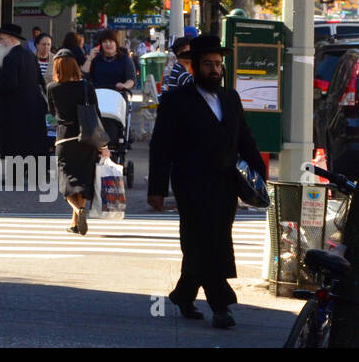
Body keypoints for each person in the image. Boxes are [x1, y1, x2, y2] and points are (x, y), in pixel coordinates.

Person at [147, 34, 267, 329]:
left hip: (226, 182)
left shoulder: (230, 97)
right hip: (191, 183)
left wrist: (259, 177)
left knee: (211, 240)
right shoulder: (176, 100)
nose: (214, 69)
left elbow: (245, 139)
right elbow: (161, 146)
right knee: (205, 240)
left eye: (218, 64)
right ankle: (221, 304)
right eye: (208, 64)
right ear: (194, 67)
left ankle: (183, 293)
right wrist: (157, 190)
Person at [47, 50, 110, 235]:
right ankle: (76, 222)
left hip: (65, 138)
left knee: (66, 183)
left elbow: (51, 113)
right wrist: (103, 145)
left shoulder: (52, 88)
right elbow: (96, 113)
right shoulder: (86, 86)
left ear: (57, 68)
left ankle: (78, 211)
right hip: (87, 138)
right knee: (82, 182)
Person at [0, 23, 48, 159]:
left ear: (11, 39)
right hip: (32, 109)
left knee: (14, 146)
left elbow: (10, 84)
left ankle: (14, 178)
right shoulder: (29, 55)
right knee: (27, 147)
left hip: (14, 111)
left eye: (1, 38)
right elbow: (40, 80)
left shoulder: (10, 57)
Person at [84, 29, 136, 94]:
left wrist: (124, 85)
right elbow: (84, 75)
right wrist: (90, 59)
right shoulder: (95, 59)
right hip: (97, 96)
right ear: (100, 45)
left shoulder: (125, 59)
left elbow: (131, 79)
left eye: (111, 41)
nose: (108, 44)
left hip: (118, 96)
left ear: (116, 43)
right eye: (105, 42)